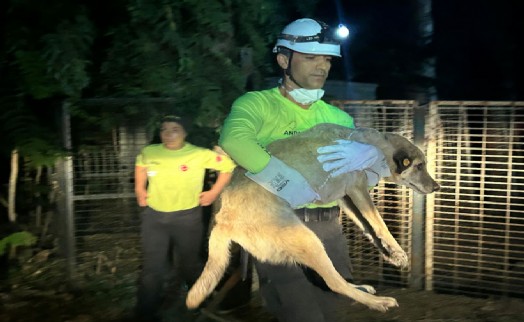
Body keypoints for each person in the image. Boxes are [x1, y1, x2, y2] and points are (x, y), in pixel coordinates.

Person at [219, 18, 390, 322]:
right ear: (284, 59)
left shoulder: (338, 117)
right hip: (276, 226)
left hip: (329, 229)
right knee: (301, 314)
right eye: (310, 57)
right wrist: (283, 181)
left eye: (326, 59)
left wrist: (370, 159)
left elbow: (357, 183)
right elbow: (234, 139)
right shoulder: (256, 104)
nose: (321, 66)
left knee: (329, 312)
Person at [134, 115, 236, 321]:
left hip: (187, 218)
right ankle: (146, 312)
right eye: (164, 130)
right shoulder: (150, 151)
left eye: (175, 129)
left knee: (191, 264)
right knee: (153, 267)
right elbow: (141, 165)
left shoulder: (198, 154)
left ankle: (200, 304)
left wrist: (214, 192)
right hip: (154, 218)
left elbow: (227, 167)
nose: (169, 134)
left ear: (185, 133)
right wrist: (139, 189)